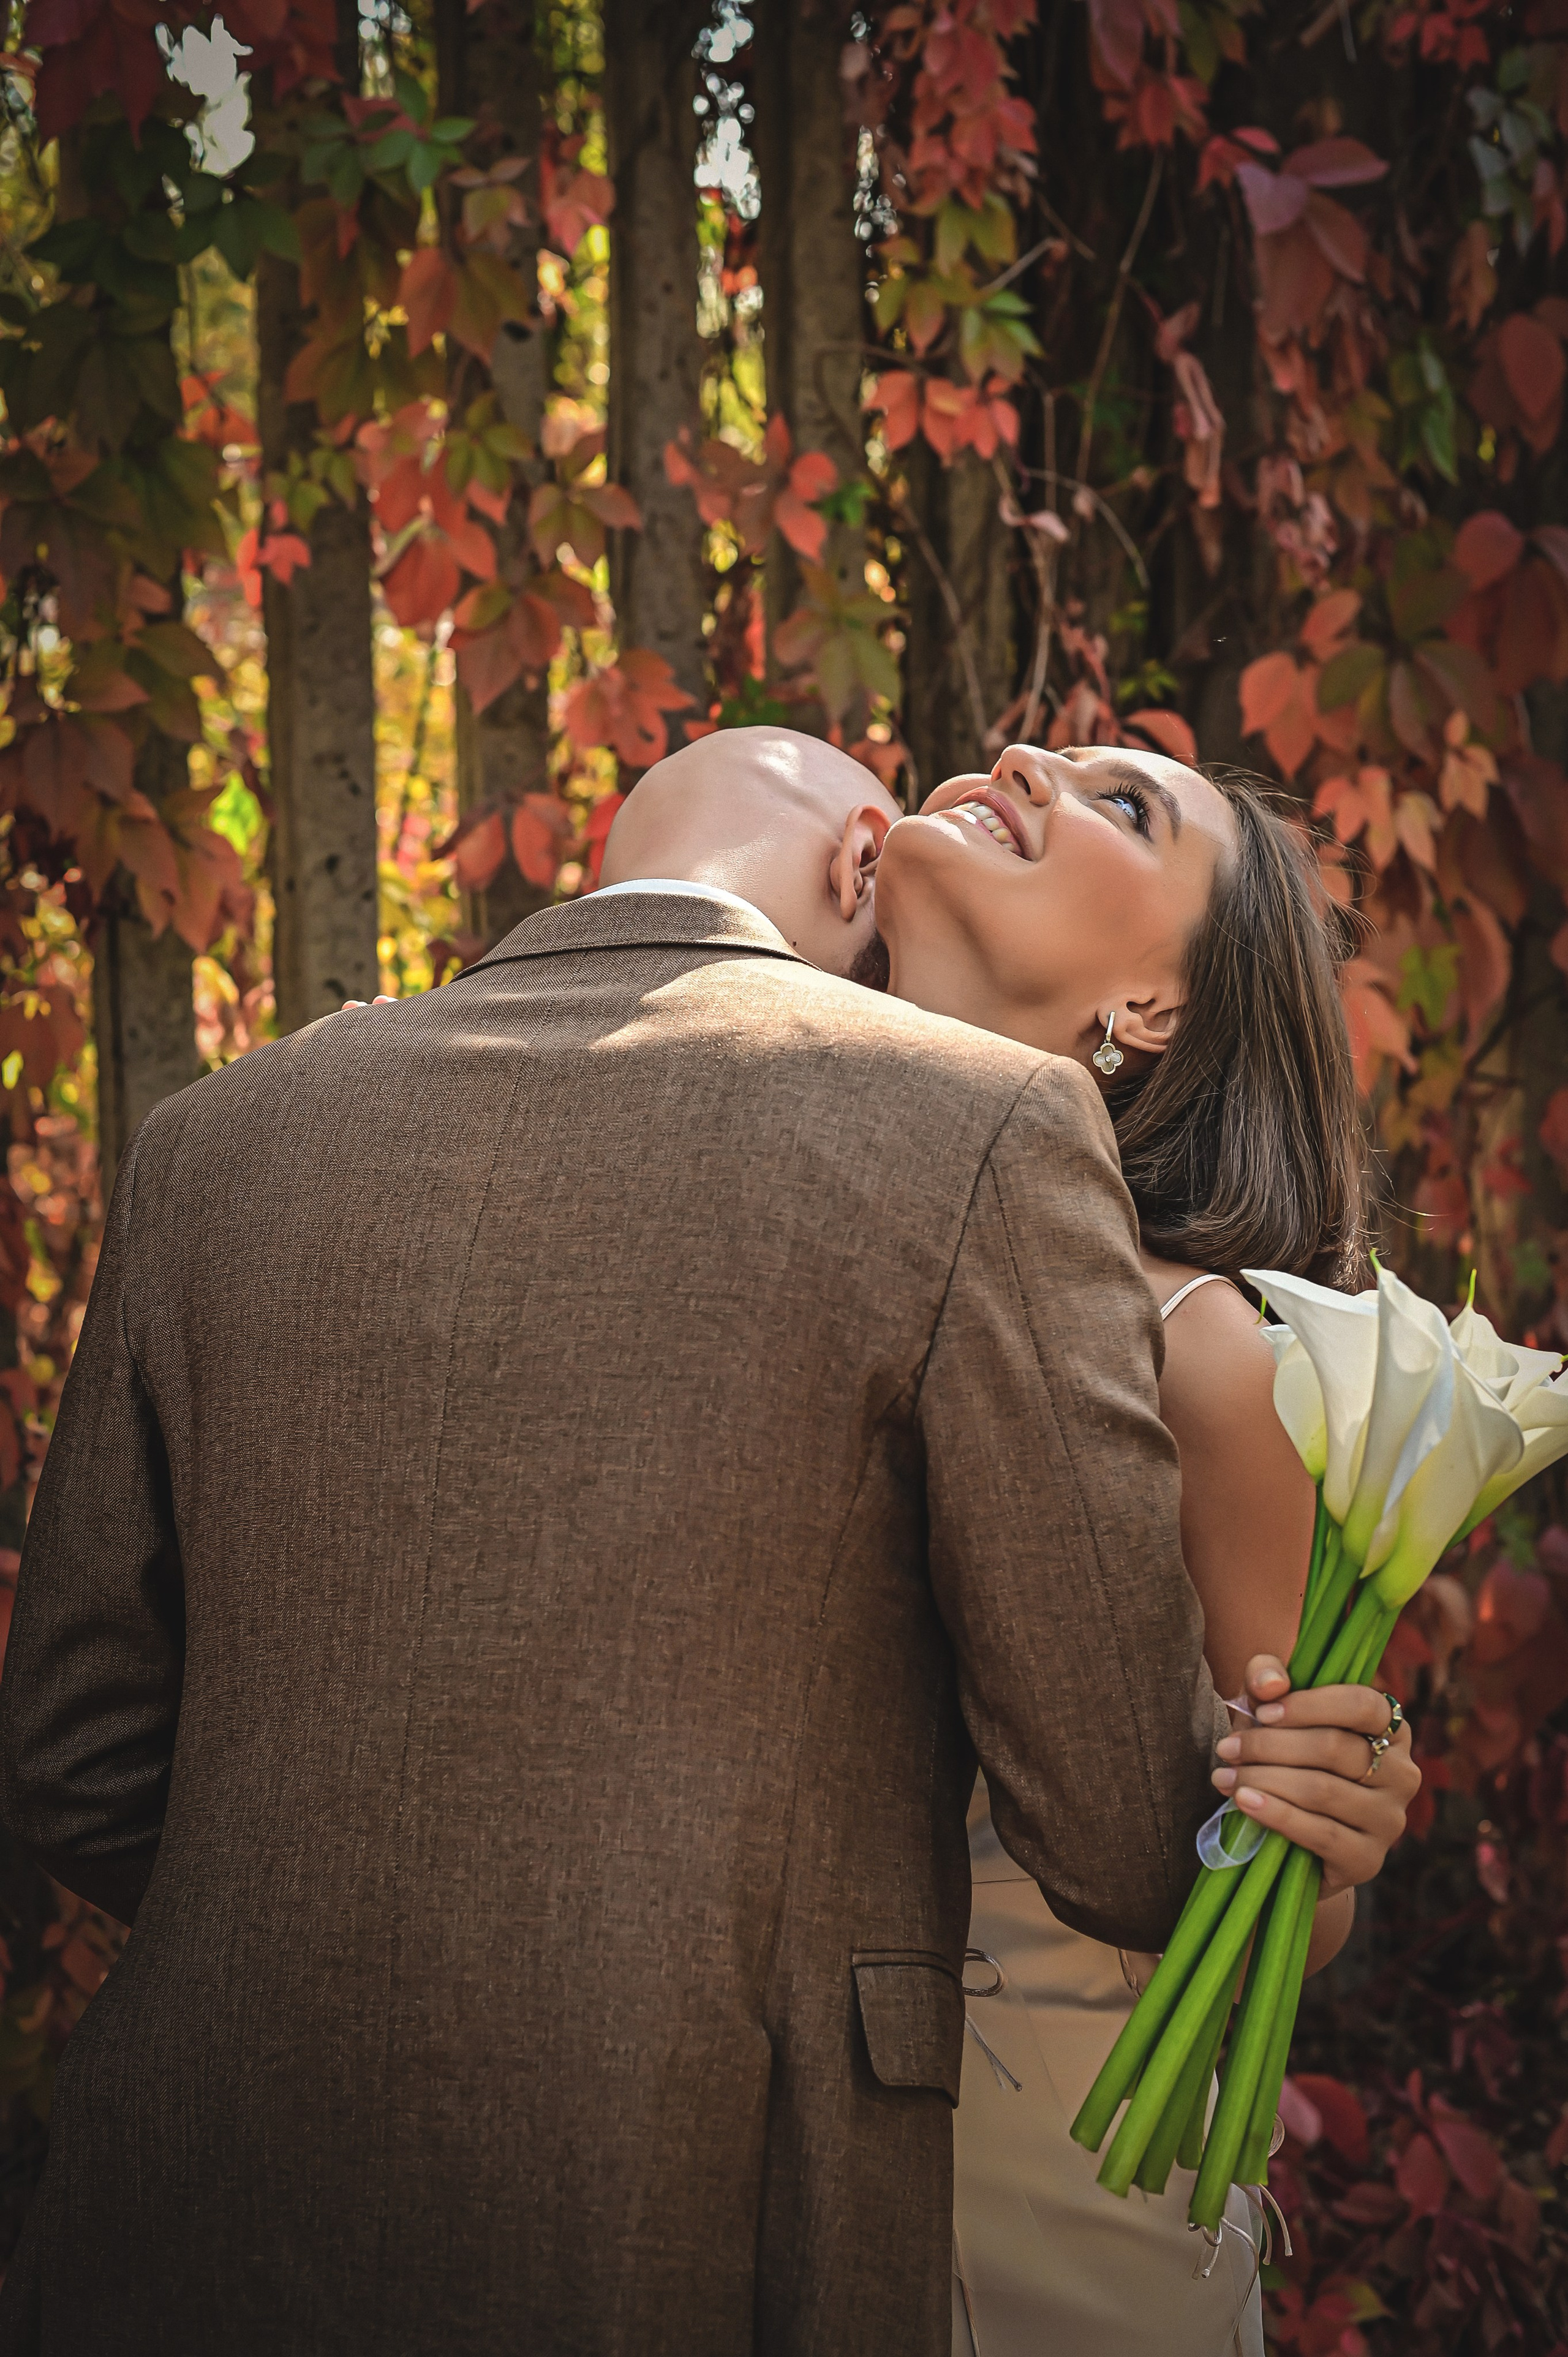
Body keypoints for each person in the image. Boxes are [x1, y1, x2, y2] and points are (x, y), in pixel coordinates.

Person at [0, 728, 1248, 2356]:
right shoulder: (986, 1131)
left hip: (187, 2205)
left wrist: (325, 1918)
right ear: (860, 864)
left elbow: (71, 1756)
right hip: (704, 2208)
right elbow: (1125, 1838)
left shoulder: (214, 1137)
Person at [594, 728, 1417, 2354]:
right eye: (1031, 744)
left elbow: (1281, 1912)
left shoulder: (1208, 1358)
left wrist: (1331, 1819)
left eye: (1127, 803)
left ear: (1157, 1007)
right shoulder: (736, 1208)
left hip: (1038, 2203)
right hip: (704, 2178)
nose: (1023, 753)